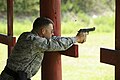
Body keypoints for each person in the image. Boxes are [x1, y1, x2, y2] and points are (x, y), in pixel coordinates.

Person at [0, 17, 87, 80]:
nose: (53, 33)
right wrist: (77, 39)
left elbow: (54, 39)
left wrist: (72, 38)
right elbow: (57, 44)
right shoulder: (35, 41)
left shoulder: (26, 36)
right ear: (43, 31)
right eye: (51, 31)